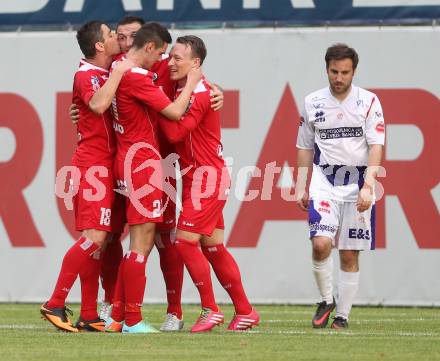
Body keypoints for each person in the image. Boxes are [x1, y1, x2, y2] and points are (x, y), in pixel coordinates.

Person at [69, 15, 224, 332]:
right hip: (138, 163)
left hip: (152, 161)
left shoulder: (148, 65)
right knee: (116, 238)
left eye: (129, 36)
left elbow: (189, 71)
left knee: (161, 239)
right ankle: (120, 314)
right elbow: (174, 107)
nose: (124, 42)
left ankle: (164, 311)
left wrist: (213, 90)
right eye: (119, 36)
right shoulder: (123, 70)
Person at [100, 22, 202, 334]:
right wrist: (192, 84)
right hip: (142, 164)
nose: (159, 59)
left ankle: (118, 316)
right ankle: (132, 319)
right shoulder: (137, 77)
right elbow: (173, 112)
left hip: (125, 159)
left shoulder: (117, 66)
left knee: (137, 243)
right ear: (148, 47)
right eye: (158, 52)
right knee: (140, 245)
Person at [158, 35, 259, 333]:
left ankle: (210, 309)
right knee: (213, 248)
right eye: (171, 57)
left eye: (178, 58)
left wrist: (154, 107)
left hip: (206, 178)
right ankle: (245, 311)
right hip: (197, 177)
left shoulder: (200, 93)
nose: (171, 62)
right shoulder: (193, 89)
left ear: (196, 63)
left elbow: (176, 134)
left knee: (184, 243)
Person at [40, 20, 133, 332]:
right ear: (99, 46)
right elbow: (98, 103)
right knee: (93, 237)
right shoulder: (88, 74)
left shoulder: (103, 73)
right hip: (93, 164)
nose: (115, 38)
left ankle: (90, 313)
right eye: (110, 35)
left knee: (100, 241)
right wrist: (118, 74)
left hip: (104, 163)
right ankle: (55, 301)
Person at [295, 43, 385, 329]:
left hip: (358, 180)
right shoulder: (313, 102)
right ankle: (326, 299)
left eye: (345, 72)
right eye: (334, 71)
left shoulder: (369, 101)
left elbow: (376, 145)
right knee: (321, 244)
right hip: (324, 179)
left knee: (348, 253)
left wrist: (369, 185)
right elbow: (304, 146)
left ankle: (342, 316)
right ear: (327, 69)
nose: (339, 77)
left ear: (353, 71)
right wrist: (300, 184)